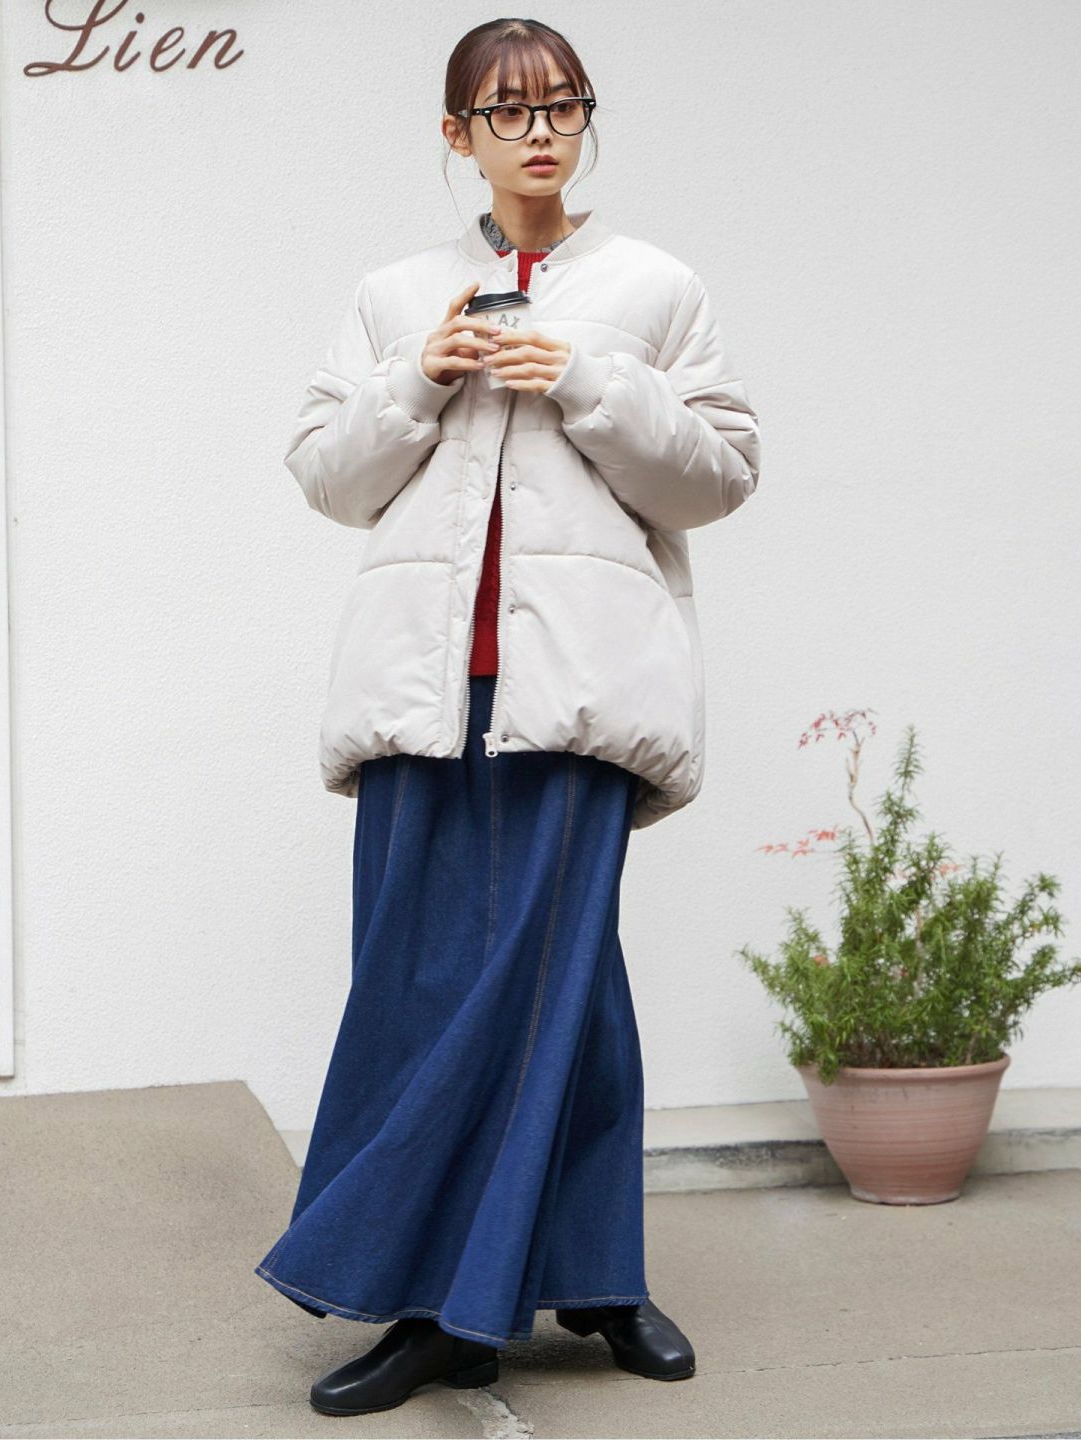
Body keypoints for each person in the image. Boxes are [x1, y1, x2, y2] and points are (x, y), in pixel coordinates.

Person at [253, 17, 761, 1418]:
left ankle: (484, 1305)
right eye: (507, 110)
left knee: (542, 972)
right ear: (456, 134)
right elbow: (327, 475)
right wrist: (418, 375)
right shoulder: (393, 294)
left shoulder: (655, 286)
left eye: (563, 106)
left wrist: (588, 381)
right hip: (424, 693)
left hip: (578, 689)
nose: (540, 133)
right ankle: (562, 1282)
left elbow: (720, 475)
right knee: (451, 984)